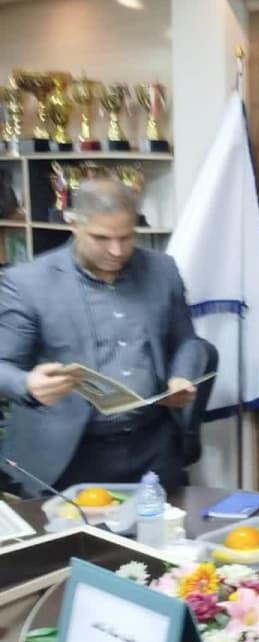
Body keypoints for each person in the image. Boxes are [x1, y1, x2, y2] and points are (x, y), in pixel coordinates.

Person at [0, 179, 205, 493]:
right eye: (101, 238)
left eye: (126, 237)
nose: (116, 250)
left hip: (153, 445)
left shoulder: (162, 270)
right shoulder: (28, 283)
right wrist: (27, 384)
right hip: (71, 453)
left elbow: (186, 340)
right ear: (74, 224)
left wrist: (181, 376)